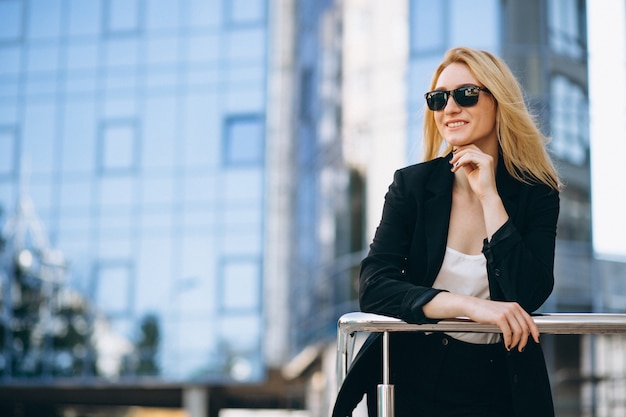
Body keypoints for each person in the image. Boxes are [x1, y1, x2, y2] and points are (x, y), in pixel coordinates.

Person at [332, 46, 561, 417]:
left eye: (466, 94)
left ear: (498, 101)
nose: (450, 108)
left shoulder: (537, 192)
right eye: (438, 99)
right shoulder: (413, 186)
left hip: (500, 385)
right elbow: (374, 285)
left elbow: (530, 291)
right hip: (412, 378)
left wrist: (490, 196)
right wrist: (472, 307)